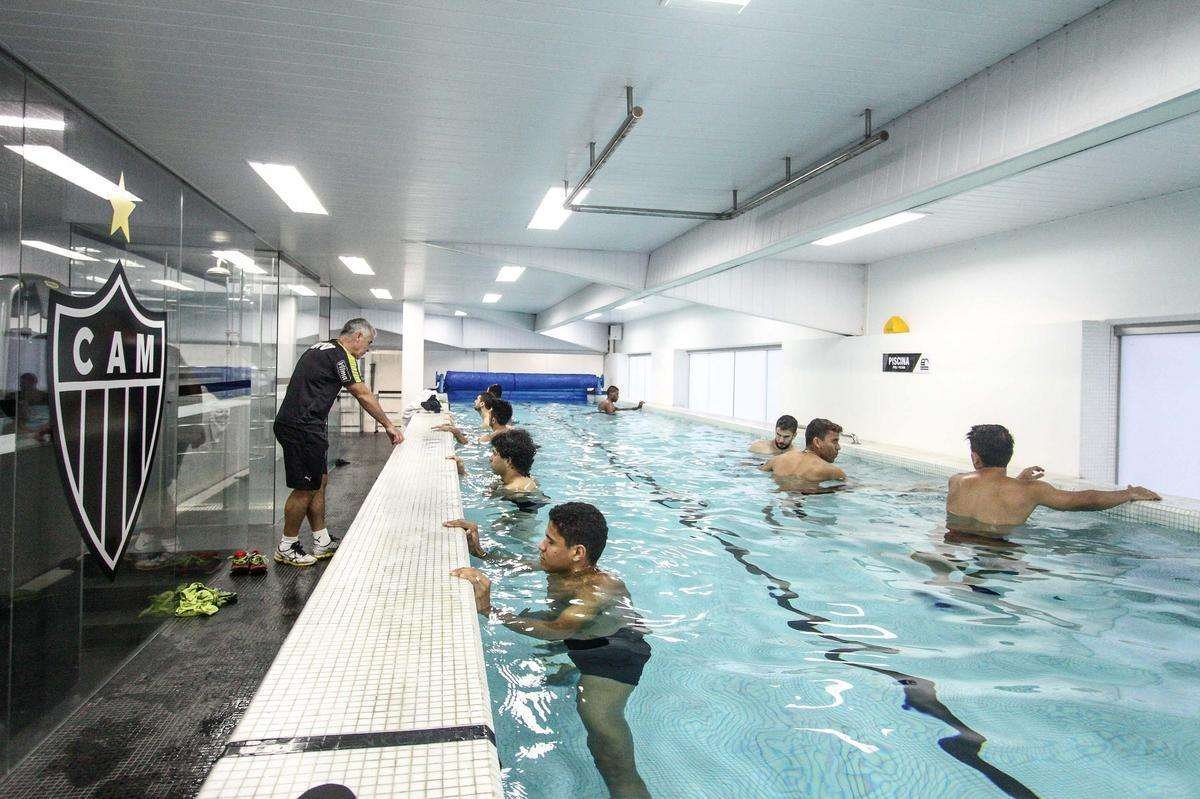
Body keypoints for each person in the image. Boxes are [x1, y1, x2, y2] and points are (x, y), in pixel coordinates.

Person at [447, 502, 652, 799]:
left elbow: (558, 630)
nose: (541, 546)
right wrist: (477, 549)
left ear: (577, 552)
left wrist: (490, 611)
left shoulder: (596, 590)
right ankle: (571, 669)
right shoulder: (559, 565)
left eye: (550, 541)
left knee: (603, 736)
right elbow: (516, 563)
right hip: (579, 635)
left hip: (613, 654)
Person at [273, 318, 403, 566]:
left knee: (319, 481)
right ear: (358, 337)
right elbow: (362, 393)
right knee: (304, 488)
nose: (367, 349)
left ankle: (321, 540)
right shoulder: (342, 356)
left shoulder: (321, 348)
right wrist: (388, 424)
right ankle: (287, 546)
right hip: (302, 427)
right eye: (369, 343)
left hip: (304, 424)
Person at [946, 424, 1160, 535]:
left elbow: (989, 494)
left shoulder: (956, 482)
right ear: (1009, 454)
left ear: (975, 457)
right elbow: (1086, 500)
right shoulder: (1031, 491)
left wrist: (1019, 481)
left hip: (956, 541)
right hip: (1001, 551)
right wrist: (1128, 493)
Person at [448, 427, 539, 493]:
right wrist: (463, 472)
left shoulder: (515, 491)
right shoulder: (527, 480)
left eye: (494, 454)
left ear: (508, 461)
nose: (490, 458)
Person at [760, 418, 846, 484]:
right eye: (834, 441)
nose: (838, 447)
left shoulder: (777, 459)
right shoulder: (832, 471)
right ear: (817, 442)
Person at [436, 398, 513, 444]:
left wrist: (455, 431)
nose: (488, 414)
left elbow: (467, 443)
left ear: (493, 420)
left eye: (489, 413)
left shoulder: (489, 438)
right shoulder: (511, 430)